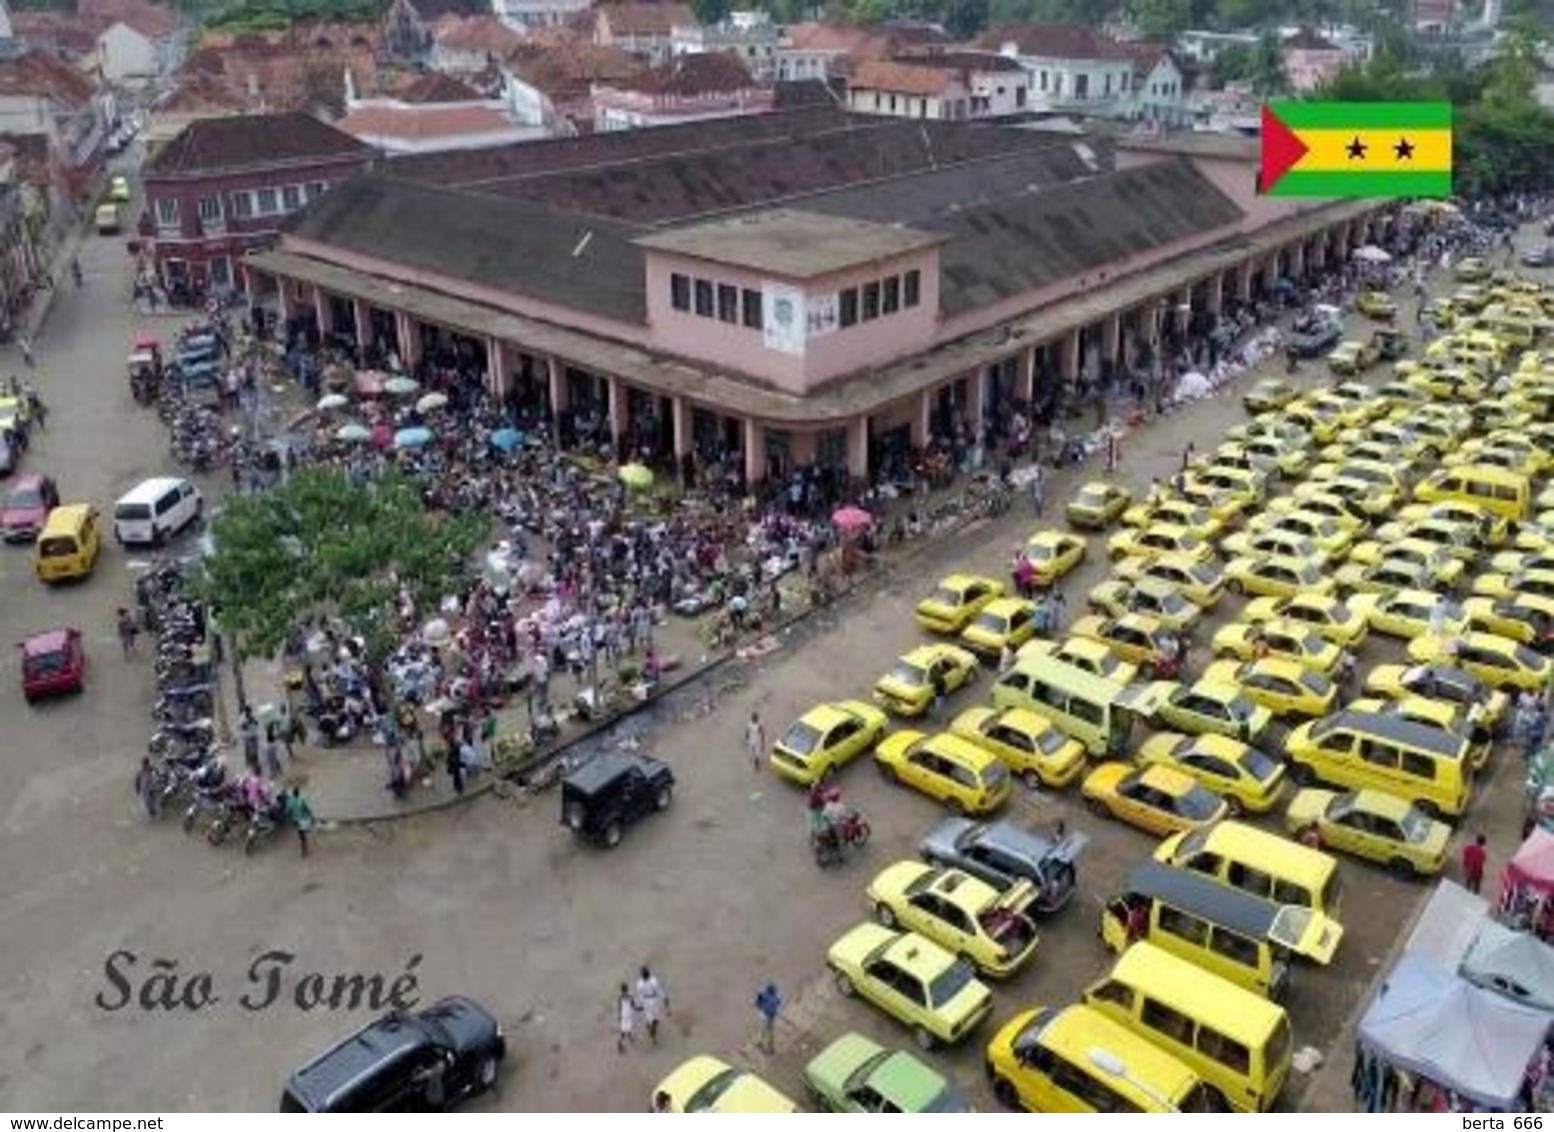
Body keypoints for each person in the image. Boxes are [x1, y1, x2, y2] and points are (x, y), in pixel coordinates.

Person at [636, 966, 667, 1045]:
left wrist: (640, 1005)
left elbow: (640, 995)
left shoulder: (640, 983)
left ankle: (650, 1028)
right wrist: (664, 998)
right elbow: (659, 990)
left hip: (647, 1002)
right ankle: (652, 1033)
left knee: (651, 1019)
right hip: (653, 1001)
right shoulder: (653, 981)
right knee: (656, 1019)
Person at [284, 786, 315, 858]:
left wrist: (288, 818)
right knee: (303, 834)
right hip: (303, 819)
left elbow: (287, 811)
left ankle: (304, 849)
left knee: (301, 835)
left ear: (293, 793)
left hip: (296, 821)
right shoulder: (301, 800)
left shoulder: (290, 801)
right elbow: (307, 809)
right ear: (298, 793)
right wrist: (311, 816)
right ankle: (304, 849)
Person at [754, 983, 782, 1053]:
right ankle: (767, 1046)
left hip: (768, 1016)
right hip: (768, 1016)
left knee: (766, 1031)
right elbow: (757, 1003)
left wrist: (760, 1007)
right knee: (768, 1031)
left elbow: (757, 1003)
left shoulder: (765, 994)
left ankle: (766, 1045)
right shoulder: (773, 996)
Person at [616, 982, 638, 1053]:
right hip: (628, 1015)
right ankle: (620, 1043)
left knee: (624, 1030)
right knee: (627, 1029)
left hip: (623, 1015)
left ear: (621, 990)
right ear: (627, 989)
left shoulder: (620, 997)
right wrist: (640, 1008)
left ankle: (629, 1038)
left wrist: (619, 1016)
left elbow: (619, 1007)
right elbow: (634, 1006)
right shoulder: (630, 997)